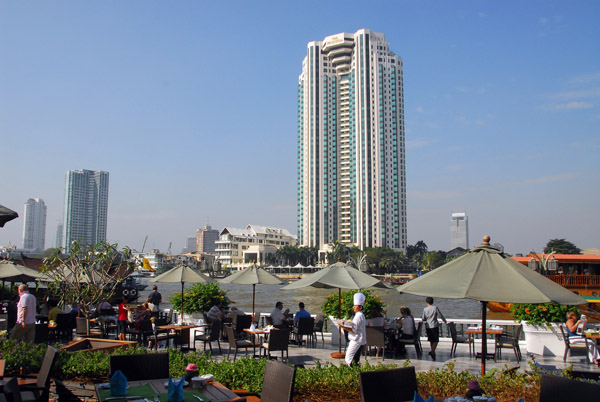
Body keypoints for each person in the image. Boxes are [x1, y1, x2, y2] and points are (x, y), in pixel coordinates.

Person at [341, 292, 367, 366]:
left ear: (360, 307)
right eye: (354, 306)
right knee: (355, 358)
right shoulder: (360, 315)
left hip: (356, 340)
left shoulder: (359, 316)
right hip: (359, 339)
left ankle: (354, 371)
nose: (354, 307)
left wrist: (343, 327)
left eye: (355, 306)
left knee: (349, 359)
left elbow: (354, 329)